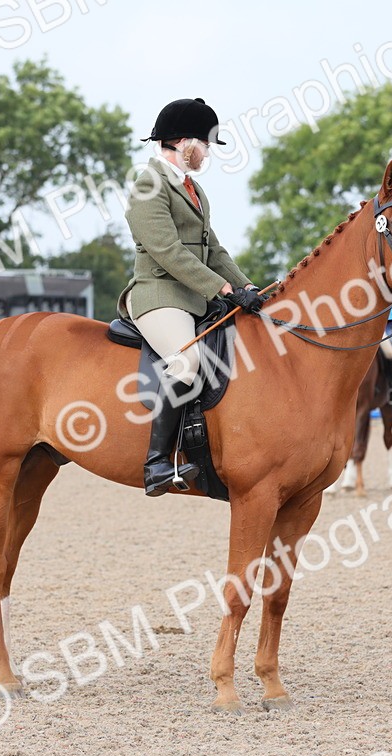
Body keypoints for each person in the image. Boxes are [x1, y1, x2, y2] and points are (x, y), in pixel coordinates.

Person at [118, 98, 265, 497]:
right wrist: (222, 289)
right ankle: (157, 463)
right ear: (185, 143)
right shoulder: (148, 185)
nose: (207, 154)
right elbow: (169, 251)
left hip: (193, 296)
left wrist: (248, 287)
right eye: (206, 144)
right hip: (158, 294)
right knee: (187, 361)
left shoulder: (193, 188)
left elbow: (213, 250)